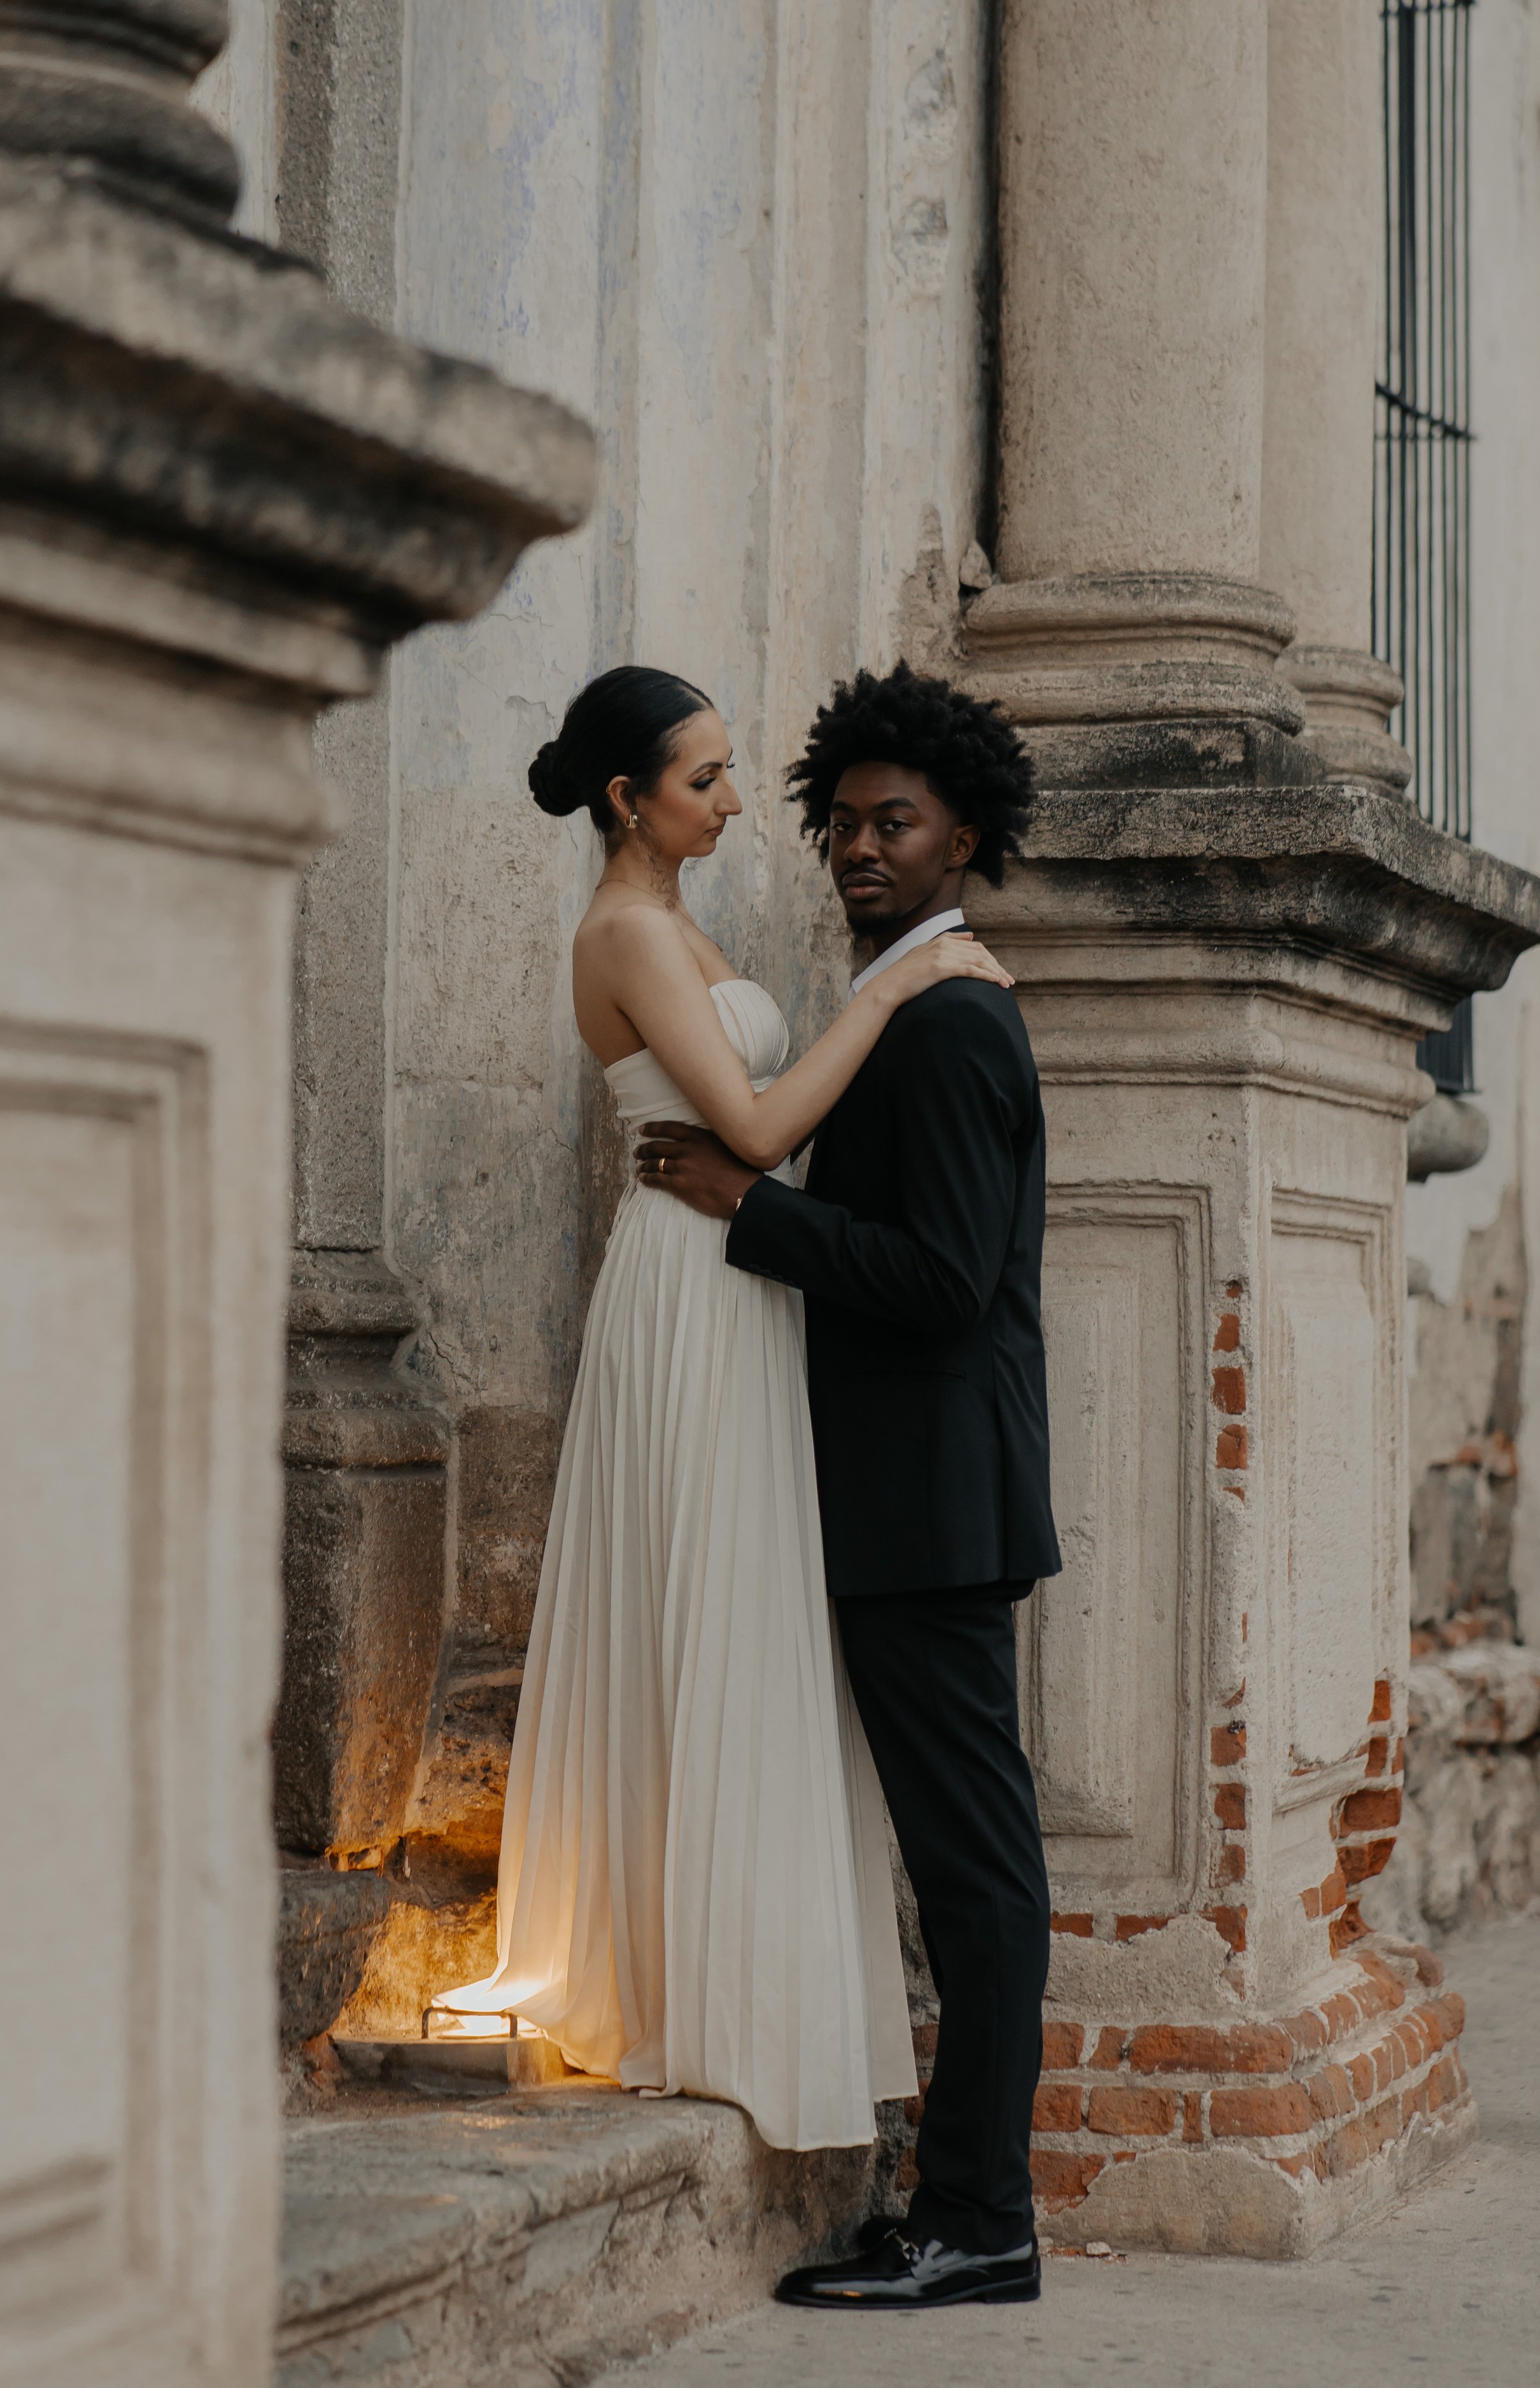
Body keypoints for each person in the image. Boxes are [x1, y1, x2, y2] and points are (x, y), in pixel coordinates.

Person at [434, 663, 1015, 2152]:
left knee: (750, 1628)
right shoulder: (625, 931)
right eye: (706, 779)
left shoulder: (683, 925)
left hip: (749, 1276)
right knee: (703, 1606)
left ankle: (746, 1986)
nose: (742, 804)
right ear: (629, 801)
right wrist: (896, 982)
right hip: (694, 1289)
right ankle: (680, 1990)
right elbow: (750, 1129)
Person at [635, 660, 1061, 2310]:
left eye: (896, 821)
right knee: (964, 1864)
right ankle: (963, 2205)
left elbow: (945, 1277)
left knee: (974, 1870)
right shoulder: (924, 997)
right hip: (912, 1495)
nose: (858, 846)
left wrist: (746, 1201)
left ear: (965, 833)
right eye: (842, 821)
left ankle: (982, 2217)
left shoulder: (949, 1019)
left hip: (932, 1504)